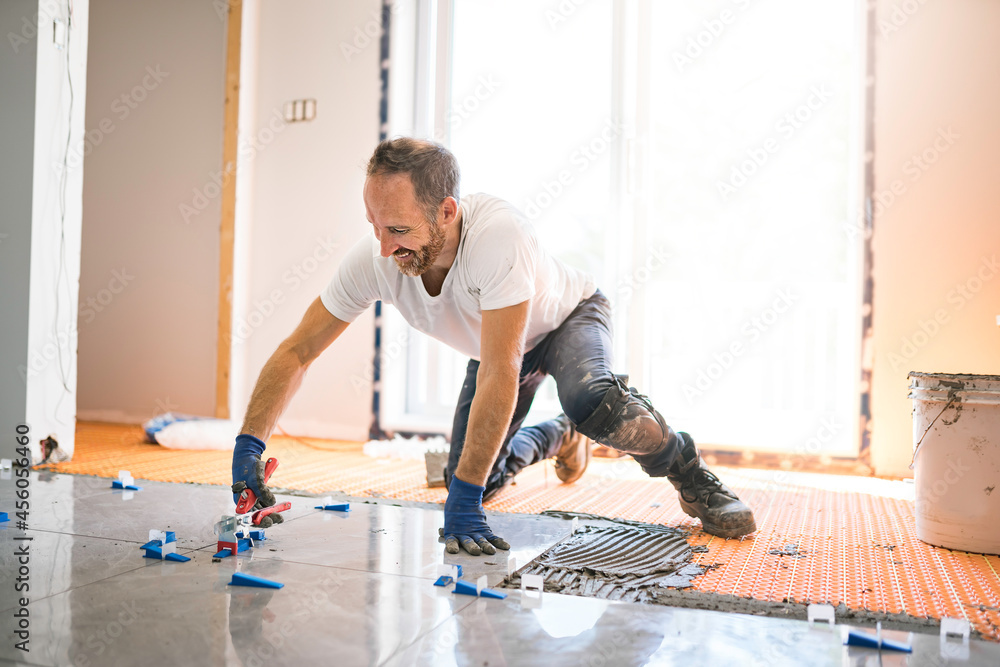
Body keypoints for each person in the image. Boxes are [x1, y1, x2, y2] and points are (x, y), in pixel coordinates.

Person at [231, 137, 756, 556]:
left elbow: (502, 370)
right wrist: (248, 445)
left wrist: (461, 500)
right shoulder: (376, 257)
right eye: (373, 225)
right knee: (474, 479)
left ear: (447, 212)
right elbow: (297, 351)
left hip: (567, 316)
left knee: (591, 399)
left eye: (398, 229)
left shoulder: (498, 236)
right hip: (503, 350)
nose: (385, 248)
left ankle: (689, 471)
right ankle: (560, 436)